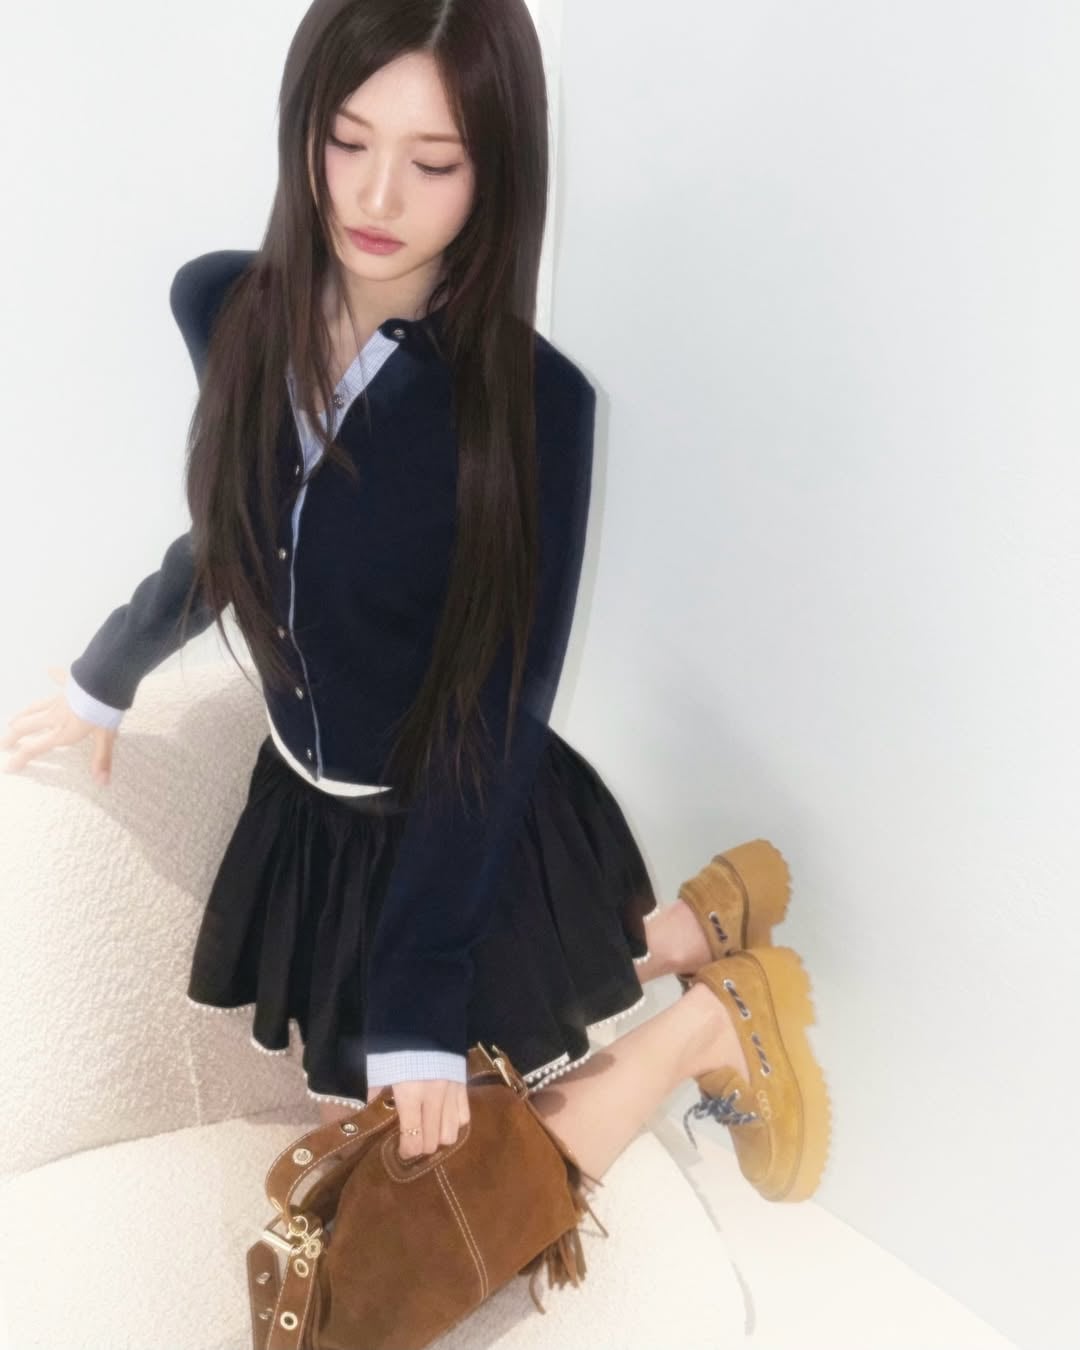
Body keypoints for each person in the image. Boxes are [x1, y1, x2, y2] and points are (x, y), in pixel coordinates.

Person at [2, 0, 829, 1202]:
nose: (376, 196)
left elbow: (498, 706)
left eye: (434, 161)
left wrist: (417, 995)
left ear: (496, 173)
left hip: (456, 820)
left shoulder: (536, 409)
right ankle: (697, 925)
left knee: (429, 1206)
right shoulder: (224, 307)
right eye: (347, 140)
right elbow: (236, 531)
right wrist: (105, 676)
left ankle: (714, 1022)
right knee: (386, 1151)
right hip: (312, 822)